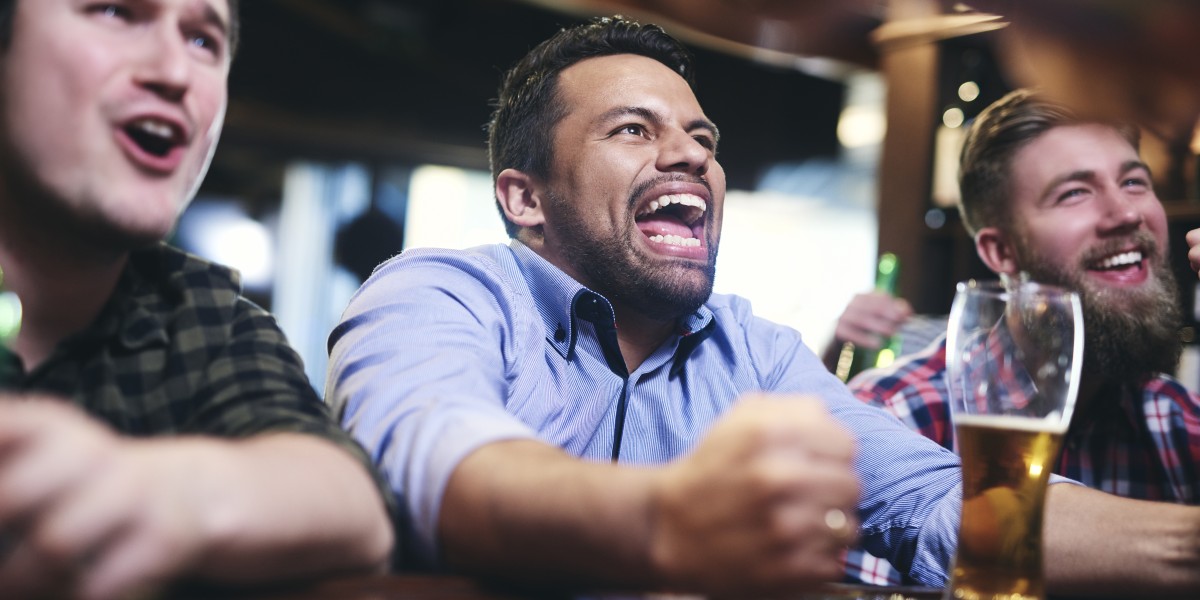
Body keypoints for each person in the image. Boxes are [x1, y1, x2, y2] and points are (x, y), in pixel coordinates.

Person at [328, 17, 1198, 597]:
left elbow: (946, 505)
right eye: (634, 129)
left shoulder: (756, 353)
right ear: (524, 198)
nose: (690, 157)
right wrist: (670, 518)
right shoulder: (442, 291)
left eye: (703, 140)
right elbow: (435, 461)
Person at [0, 1, 395, 598]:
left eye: (203, 42)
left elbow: (354, 506)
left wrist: (159, 491)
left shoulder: (205, 318)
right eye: (114, 12)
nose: (174, 72)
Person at [845, 89, 1200, 590]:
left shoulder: (1181, 423)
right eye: (1075, 192)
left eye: (1135, 181)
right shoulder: (893, 420)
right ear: (1001, 251)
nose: (1126, 213)